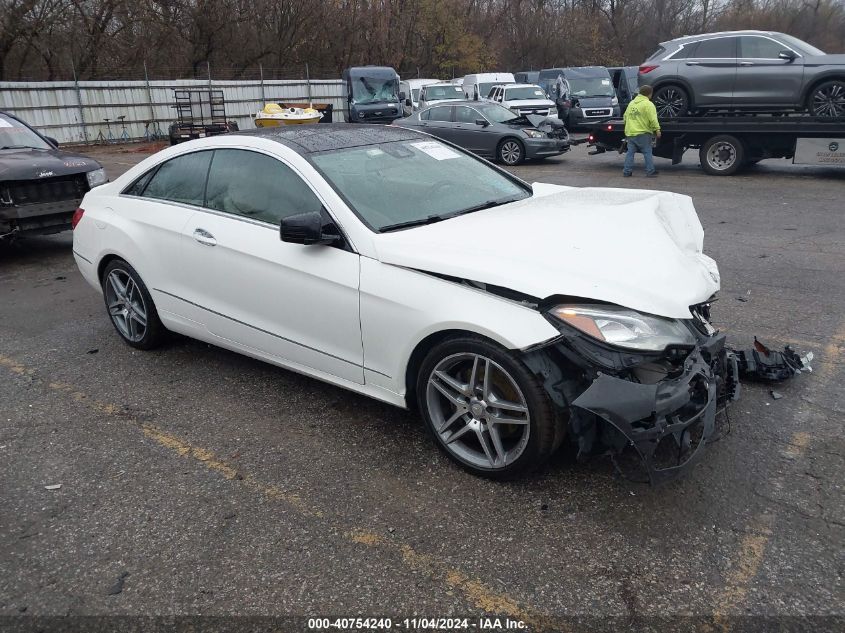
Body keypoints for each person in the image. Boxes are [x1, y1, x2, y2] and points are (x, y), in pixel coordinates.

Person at [622, 85, 661, 177]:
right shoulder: (648, 104)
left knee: (630, 153)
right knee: (647, 152)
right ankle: (650, 171)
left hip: (631, 133)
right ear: (650, 94)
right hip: (643, 133)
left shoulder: (631, 103)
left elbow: (625, 117)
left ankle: (627, 172)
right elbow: (653, 119)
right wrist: (657, 129)